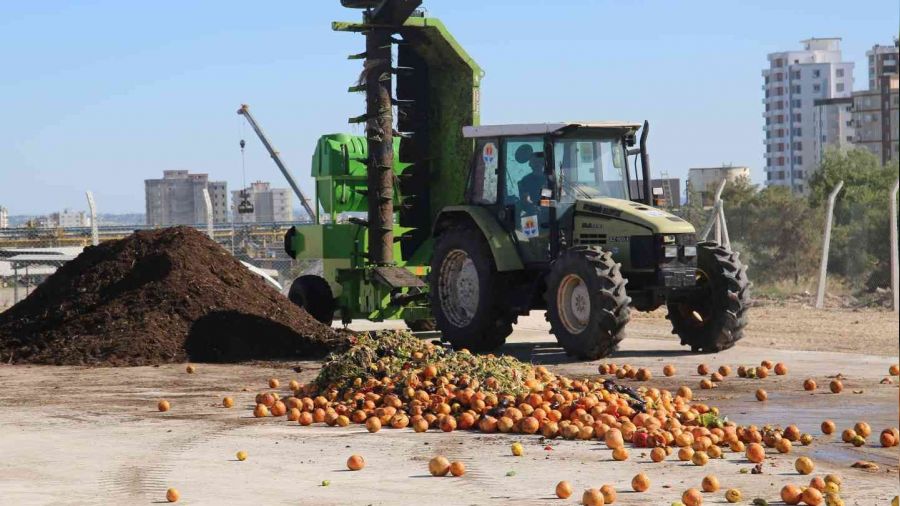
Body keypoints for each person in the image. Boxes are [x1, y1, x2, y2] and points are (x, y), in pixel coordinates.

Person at [515, 144, 545, 211]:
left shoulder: (548, 180)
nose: (537, 164)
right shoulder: (525, 181)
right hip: (532, 214)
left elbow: (554, 202)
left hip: (548, 213)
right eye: (535, 162)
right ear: (530, 165)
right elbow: (525, 202)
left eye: (539, 162)